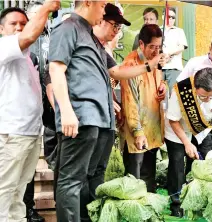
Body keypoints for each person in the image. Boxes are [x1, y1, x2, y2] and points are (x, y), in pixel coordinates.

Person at [48, 1, 164, 220]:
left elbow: (117, 72)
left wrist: (151, 65)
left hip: (101, 121)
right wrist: (66, 110)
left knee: (94, 176)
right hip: (81, 117)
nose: (102, 13)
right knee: (72, 179)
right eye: (102, 6)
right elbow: (56, 69)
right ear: (90, 3)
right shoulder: (67, 28)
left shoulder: (93, 40)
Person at [0, 1, 60, 221]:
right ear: (1, 28)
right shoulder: (4, 47)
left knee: (18, 191)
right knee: (4, 191)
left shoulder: (27, 57)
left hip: (31, 133)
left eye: (23, 23)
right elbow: (28, 37)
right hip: (11, 134)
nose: (19, 27)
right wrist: (47, 7)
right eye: (13, 23)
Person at [166, 68, 212, 217]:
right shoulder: (181, 91)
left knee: (201, 165)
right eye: (203, 97)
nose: (208, 100)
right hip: (177, 132)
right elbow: (173, 121)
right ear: (195, 88)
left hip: (202, 131)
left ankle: (195, 199)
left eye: (211, 97)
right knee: (177, 166)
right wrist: (187, 143)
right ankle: (176, 203)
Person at [121, 24, 166, 193]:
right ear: (141, 44)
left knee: (149, 177)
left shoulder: (156, 61)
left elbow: (157, 83)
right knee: (135, 178)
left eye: (159, 47)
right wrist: (137, 131)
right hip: (137, 131)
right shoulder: (130, 65)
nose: (156, 52)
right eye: (152, 47)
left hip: (153, 128)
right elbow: (130, 101)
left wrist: (162, 87)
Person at [22, 1, 53, 221]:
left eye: (43, 14)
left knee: (52, 157)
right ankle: (27, 207)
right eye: (35, 15)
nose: (40, 18)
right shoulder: (22, 42)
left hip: (50, 108)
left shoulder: (54, 38)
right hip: (28, 108)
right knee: (27, 159)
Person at [176, 35, 212, 149]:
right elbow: (179, 85)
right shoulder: (195, 63)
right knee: (195, 150)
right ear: (210, 48)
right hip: (195, 116)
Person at [162, 7, 188, 94]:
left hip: (174, 68)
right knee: (155, 95)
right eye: (169, 16)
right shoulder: (157, 30)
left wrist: (169, 54)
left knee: (174, 95)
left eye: (173, 17)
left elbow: (182, 47)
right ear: (163, 16)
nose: (171, 19)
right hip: (159, 67)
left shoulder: (179, 31)